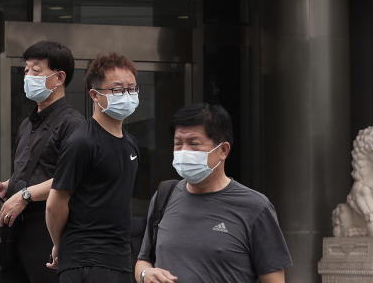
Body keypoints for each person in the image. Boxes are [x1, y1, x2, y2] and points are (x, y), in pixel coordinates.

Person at [135, 103, 292, 283]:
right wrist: (145, 275)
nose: (184, 152)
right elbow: (143, 261)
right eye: (178, 144)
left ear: (223, 150)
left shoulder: (255, 207)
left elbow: (274, 279)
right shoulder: (164, 197)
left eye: (194, 144)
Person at [0, 40, 85, 283]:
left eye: (36, 71)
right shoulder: (27, 123)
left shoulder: (73, 124)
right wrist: (9, 186)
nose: (28, 76)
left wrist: (25, 195)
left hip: (48, 233)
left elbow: (73, 178)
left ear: (59, 78)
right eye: (26, 70)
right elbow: (37, 170)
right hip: (16, 234)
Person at [46, 52, 141, 282]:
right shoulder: (82, 142)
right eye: (118, 90)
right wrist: (60, 244)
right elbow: (55, 203)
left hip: (119, 260)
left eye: (132, 89)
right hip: (85, 261)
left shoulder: (131, 143)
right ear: (94, 95)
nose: (127, 96)